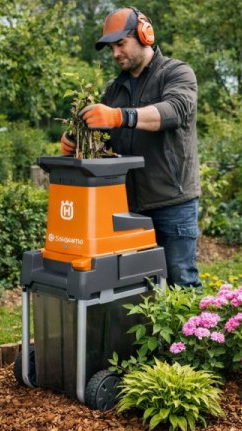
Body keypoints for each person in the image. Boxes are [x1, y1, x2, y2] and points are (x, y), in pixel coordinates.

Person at [61, 6, 201, 288]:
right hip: (129, 207)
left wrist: (120, 116)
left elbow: (174, 111)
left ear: (144, 35)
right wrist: (77, 138)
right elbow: (106, 136)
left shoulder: (176, 72)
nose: (115, 54)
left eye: (120, 44)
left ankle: (190, 334)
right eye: (111, 48)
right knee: (139, 286)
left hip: (173, 201)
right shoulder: (114, 89)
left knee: (180, 280)